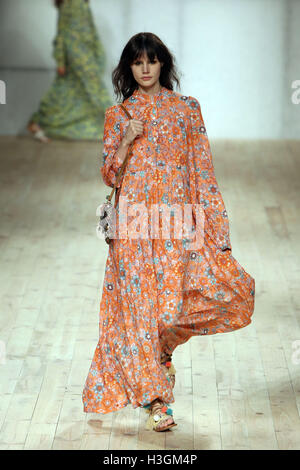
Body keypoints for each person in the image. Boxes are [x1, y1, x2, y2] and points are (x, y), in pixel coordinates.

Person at [82, 32, 255, 432]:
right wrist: (125, 141)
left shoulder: (187, 110)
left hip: (178, 224)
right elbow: (108, 173)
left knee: (200, 301)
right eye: (137, 62)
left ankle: (161, 355)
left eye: (152, 61)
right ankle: (156, 399)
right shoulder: (118, 116)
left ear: (163, 65)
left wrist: (215, 229)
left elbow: (203, 171)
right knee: (139, 314)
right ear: (128, 68)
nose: (145, 68)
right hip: (133, 227)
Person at [27, 0, 112, 142]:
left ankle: (37, 122)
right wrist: (60, 60)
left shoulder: (82, 4)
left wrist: (99, 55)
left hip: (86, 54)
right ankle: (121, 127)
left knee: (65, 89)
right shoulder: (69, 4)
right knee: (96, 89)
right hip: (76, 55)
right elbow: (62, 34)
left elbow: (91, 31)